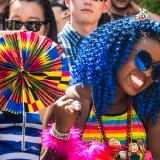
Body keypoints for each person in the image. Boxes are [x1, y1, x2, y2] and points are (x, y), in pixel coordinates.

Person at [41, 11, 160, 159]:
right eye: (143, 60)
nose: (148, 73)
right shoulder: (74, 103)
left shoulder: (147, 108)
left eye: (157, 69)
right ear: (117, 50)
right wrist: (60, 131)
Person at [0, 0, 64, 159]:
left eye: (33, 25)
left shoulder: (62, 75)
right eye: (14, 23)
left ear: (46, 28)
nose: (22, 31)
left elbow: (53, 143)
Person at [58, 0, 111, 68]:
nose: (88, 1)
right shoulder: (52, 47)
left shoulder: (113, 50)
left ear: (105, 6)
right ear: (68, 1)